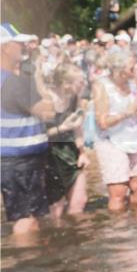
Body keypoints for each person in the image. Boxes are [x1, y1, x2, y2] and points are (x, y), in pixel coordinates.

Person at [1, 31, 55, 235]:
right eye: (18, 43)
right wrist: (38, 77)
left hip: (12, 160)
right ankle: (26, 263)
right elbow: (48, 112)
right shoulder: (14, 82)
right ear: (5, 48)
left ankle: (27, 261)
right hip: (21, 161)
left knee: (26, 217)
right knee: (26, 221)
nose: (24, 47)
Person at [93, 51, 137, 211]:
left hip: (134, 139)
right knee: (119, 193)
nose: (136, 69)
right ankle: (119, 232)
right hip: (111, 142)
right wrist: (128, 112)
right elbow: (102, 122)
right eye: (132, 67)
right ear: (119, 70)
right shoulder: (101, 85)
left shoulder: (133, 82)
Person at [44, 62, 89, 217]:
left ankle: (76, 238)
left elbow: (77, 127)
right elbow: (37, 135)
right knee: (56, 208)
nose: (84, 84)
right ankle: (57, 239)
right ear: (66, 83)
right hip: (49, 156)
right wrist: (61, 128)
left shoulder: (74, 98)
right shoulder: (46, 99)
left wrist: (82, 152)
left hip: (71, 152)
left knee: (79, 202)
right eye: (80, 81)